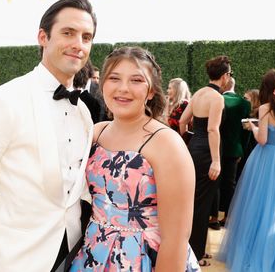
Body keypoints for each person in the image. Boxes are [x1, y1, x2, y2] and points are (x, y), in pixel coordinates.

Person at [0, 0, 97, 271]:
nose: (78, 44)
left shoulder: (83, 111)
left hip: (76, 250)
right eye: (68, 33)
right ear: (43, 36)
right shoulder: (6, 99)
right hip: (19, 256)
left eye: (86, 37)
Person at [70, 46, 200, 271]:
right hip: (93, 253)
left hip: (143, 259)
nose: (123, 88)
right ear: (103, 84)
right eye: (114, 78)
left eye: (136, 80)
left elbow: (176, 239)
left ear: (151, 91)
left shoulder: (167, 143)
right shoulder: (96, 132)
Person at [218, 68, 275, 271]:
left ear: (269, 89)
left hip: (265, 161)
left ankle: (255, 253)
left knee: (258, 207)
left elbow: (263, 140)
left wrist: (254, 126)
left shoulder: (265, 109)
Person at [179, 55, 231, 267]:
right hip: (208, 153)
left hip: (193, 149)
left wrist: (187, 141)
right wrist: (216, 161)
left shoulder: (199, 93)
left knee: (195, 203)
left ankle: (195, 248)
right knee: (201, 206)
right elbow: (212, 129)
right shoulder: (217, 99)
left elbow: (183, 121)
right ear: (225, 76)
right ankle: (196, 254)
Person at [208, 77, 250, 229]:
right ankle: (228, 217)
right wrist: (242, 150)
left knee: (215, 183)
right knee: (230, 184)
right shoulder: (245, 104)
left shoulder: (217, 99)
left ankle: (213, 217)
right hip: (234, 149)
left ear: (225, 84)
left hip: (216, 148)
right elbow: (246, 132)